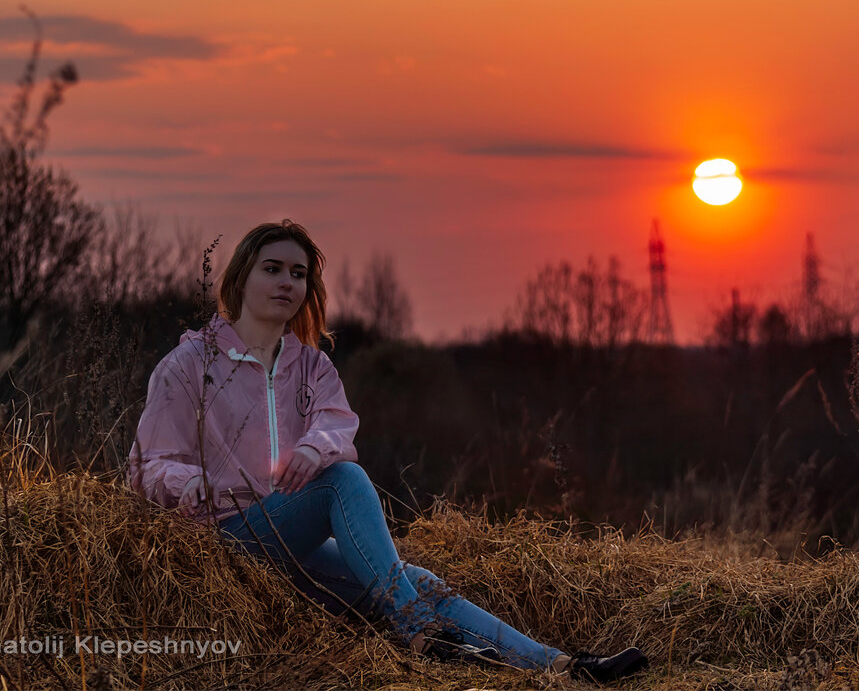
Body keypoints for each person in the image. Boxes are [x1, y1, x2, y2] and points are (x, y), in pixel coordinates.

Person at [128, 220, 647, 684]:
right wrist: (185, 483)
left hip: (293, 543)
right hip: (226, 536)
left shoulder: (311, 368)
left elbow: (336, 423)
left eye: (298, 273)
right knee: (343, 480)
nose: (287, 282)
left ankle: (560, 666)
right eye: (273, 269)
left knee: (414, 579)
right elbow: (149, 465)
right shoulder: (191, 363)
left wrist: (315, 447)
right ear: (240, 277)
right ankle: (418, 632)